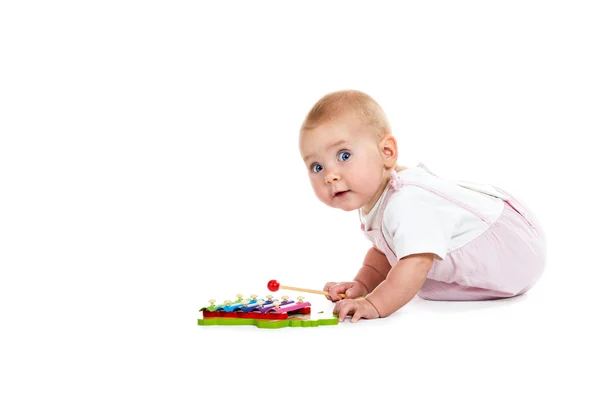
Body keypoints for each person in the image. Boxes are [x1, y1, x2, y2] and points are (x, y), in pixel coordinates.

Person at [298, 90, 546, 323]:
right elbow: (386, 250)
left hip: (513, 253)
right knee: (409, 263)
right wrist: (362, 284)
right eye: (317, 167)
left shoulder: (407, 202)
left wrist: (373, 304)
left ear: (386, 152)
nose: (330, 175)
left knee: (413, 267)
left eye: (344, 156)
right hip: (509, 250)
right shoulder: (376, 198)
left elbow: (414, 262)